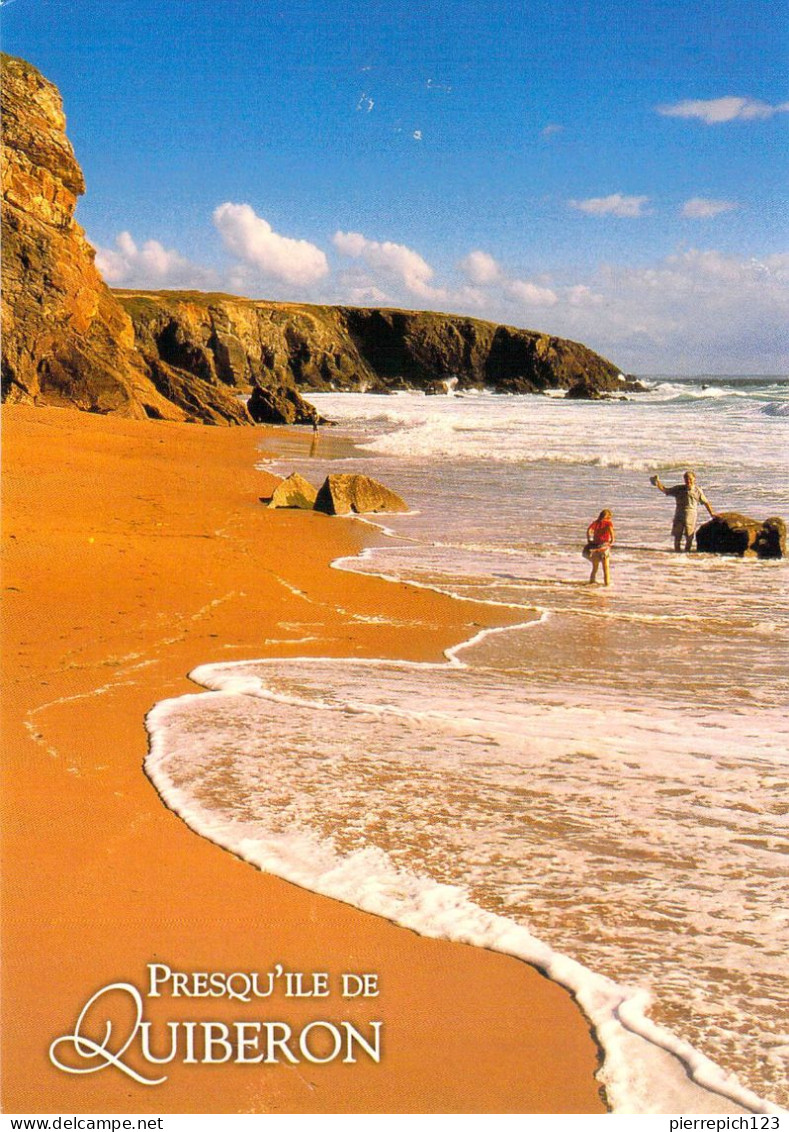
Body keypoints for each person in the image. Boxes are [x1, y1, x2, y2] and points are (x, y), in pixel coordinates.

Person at [650, 470, 715, 552]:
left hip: (691, 515)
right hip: (679, 514)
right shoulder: (679, 489)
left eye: (690, 479)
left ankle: (686, 553)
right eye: (686, 479)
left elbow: (706, 503)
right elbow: (665, 490)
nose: (688, 481)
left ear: (694, 479)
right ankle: (677, 553)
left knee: (689, 536)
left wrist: (712, 513)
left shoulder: (697, 491)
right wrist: (657, 483)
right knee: (677, 536)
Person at [585, 508, 615, 585]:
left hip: (595, 546)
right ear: (608, 516)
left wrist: (589, 540)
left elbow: (589, 530)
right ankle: (607, 584)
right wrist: (612, 541)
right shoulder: (608, 523)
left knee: (595, 568)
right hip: (604, 547)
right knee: (606, 568)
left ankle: (592, 582)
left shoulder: (596, 523)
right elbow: (611, 533)